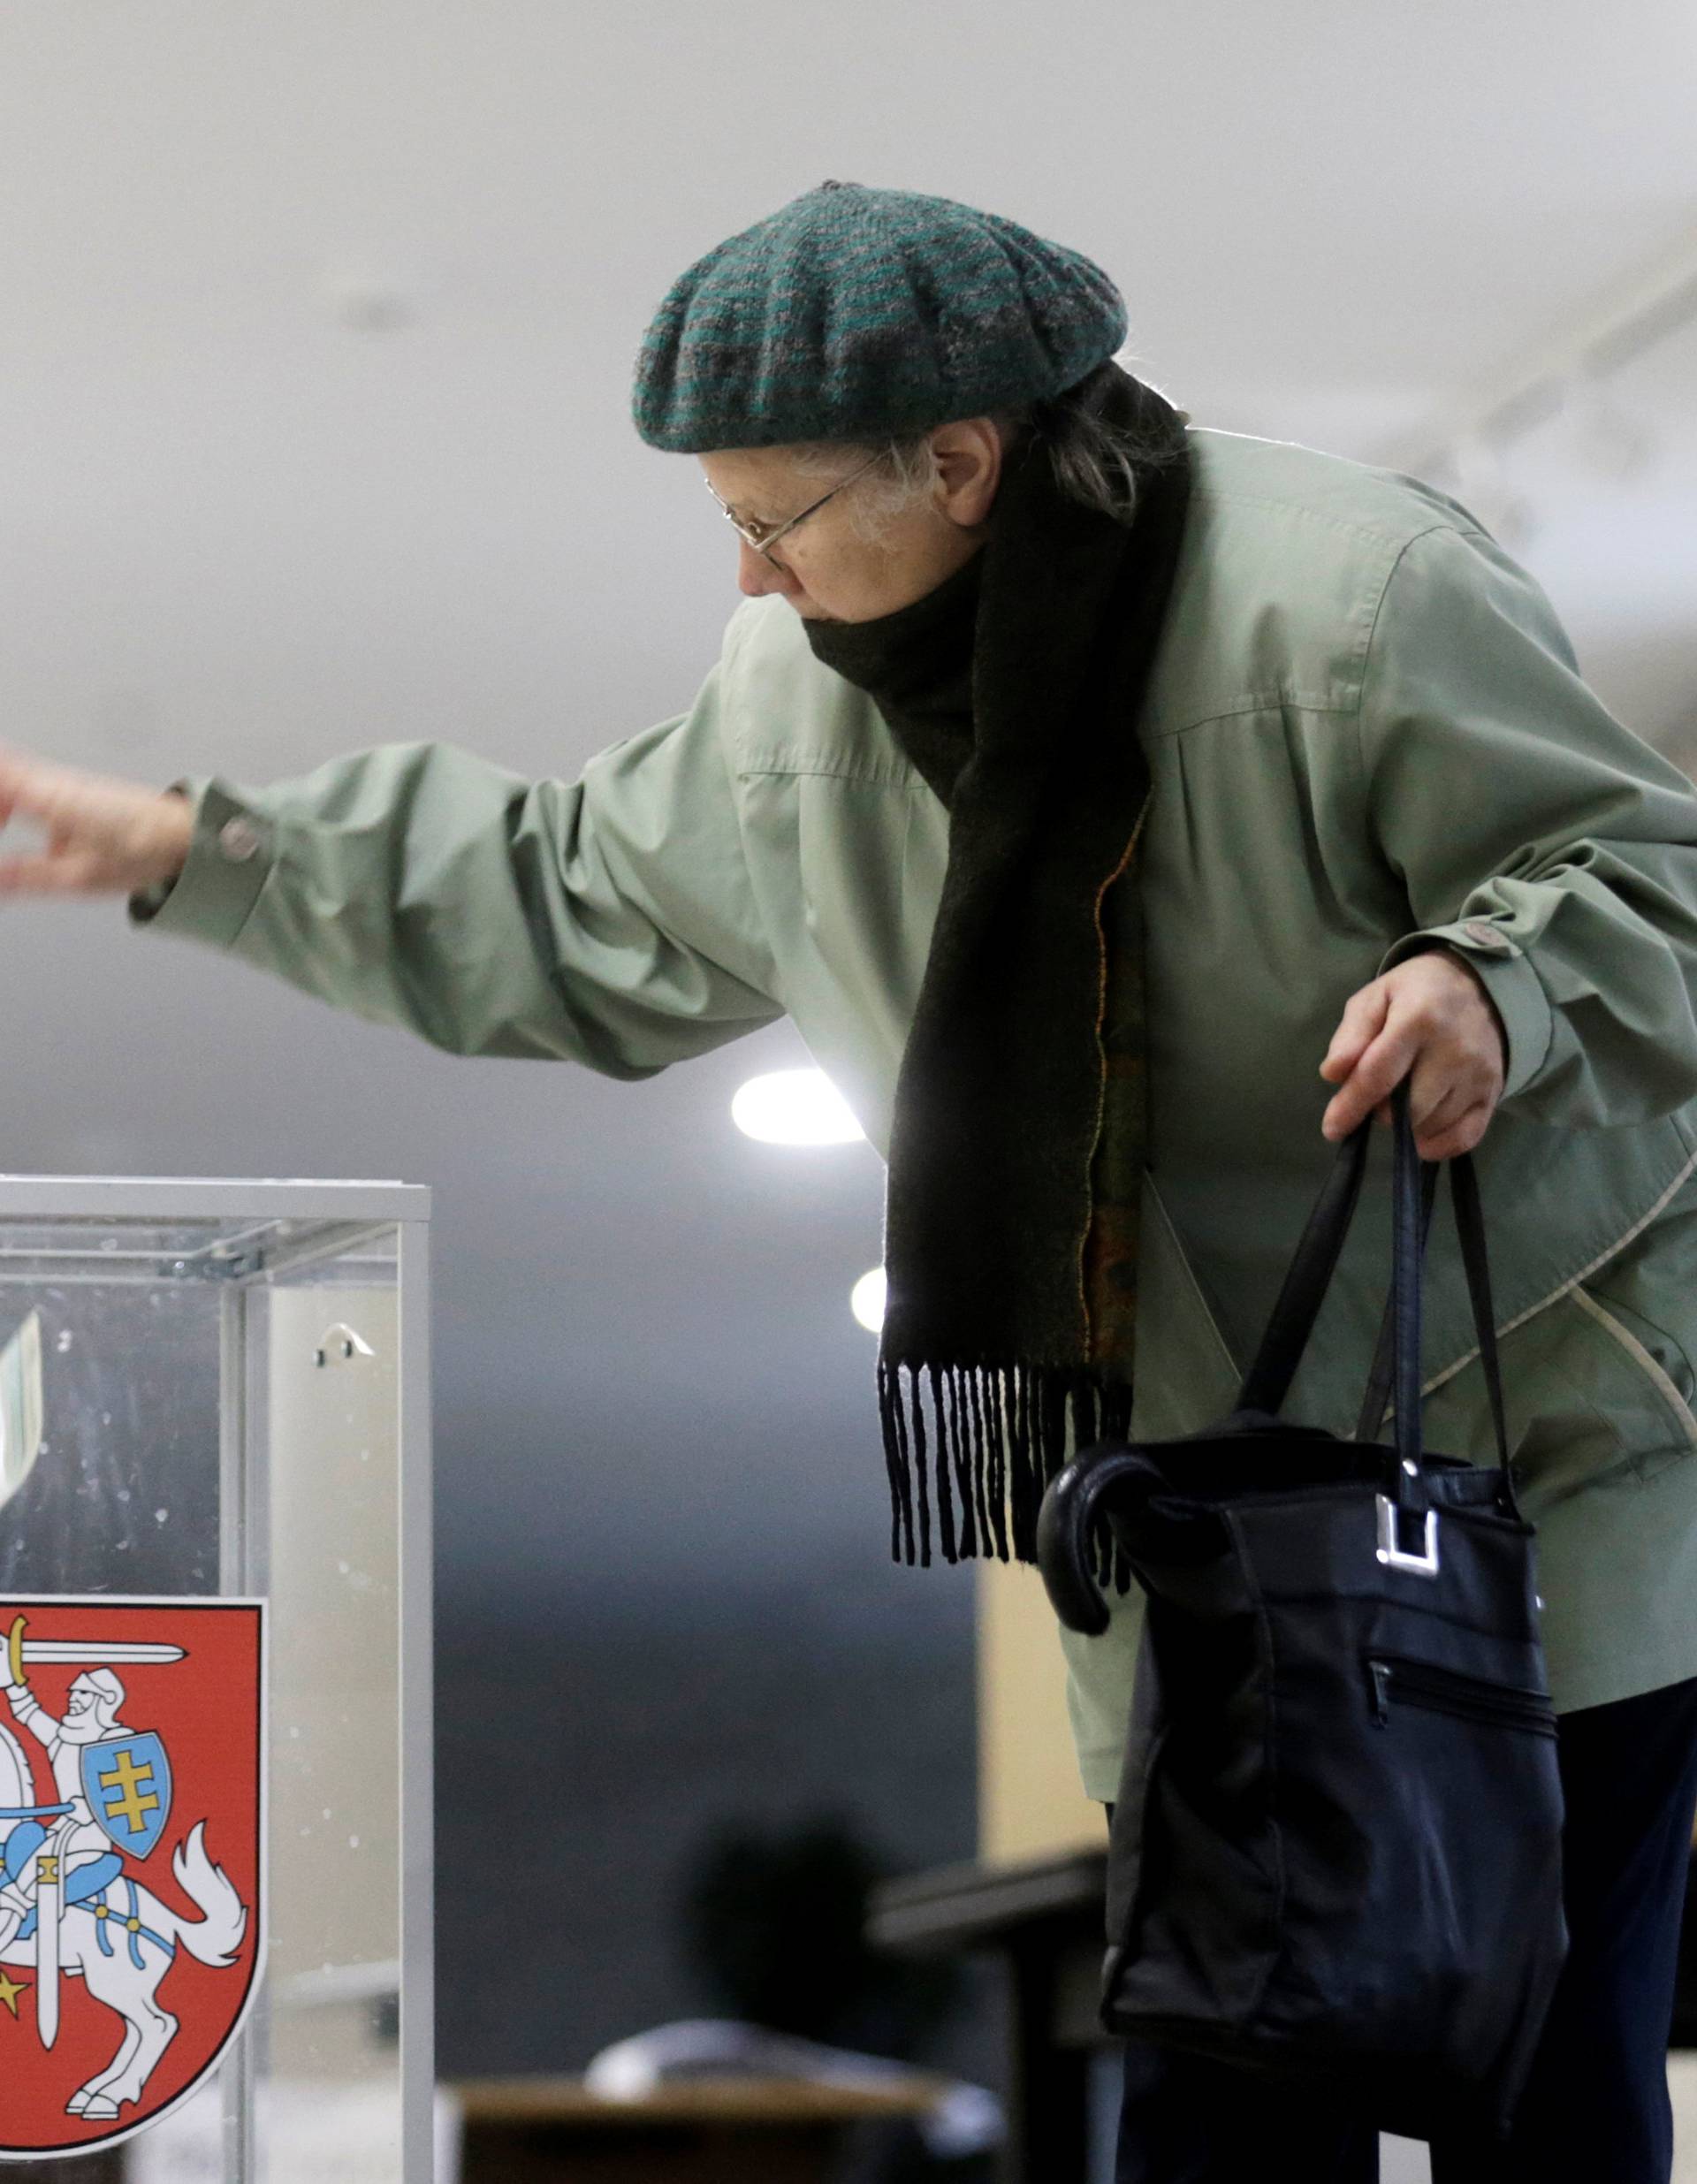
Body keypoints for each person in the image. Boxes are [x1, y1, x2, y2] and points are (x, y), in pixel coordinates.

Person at [2, 179, 1696, 2180]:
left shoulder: (1353, 602)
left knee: (1544, 2061)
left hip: (1522, 1482)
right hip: (1204, 1534)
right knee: (1231, 2094)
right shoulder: (789, 711)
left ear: (963, 462)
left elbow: (1646, 881)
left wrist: (1491, 982)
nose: (749, 582)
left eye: (774, 519)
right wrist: (199, 851)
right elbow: (558, 896)